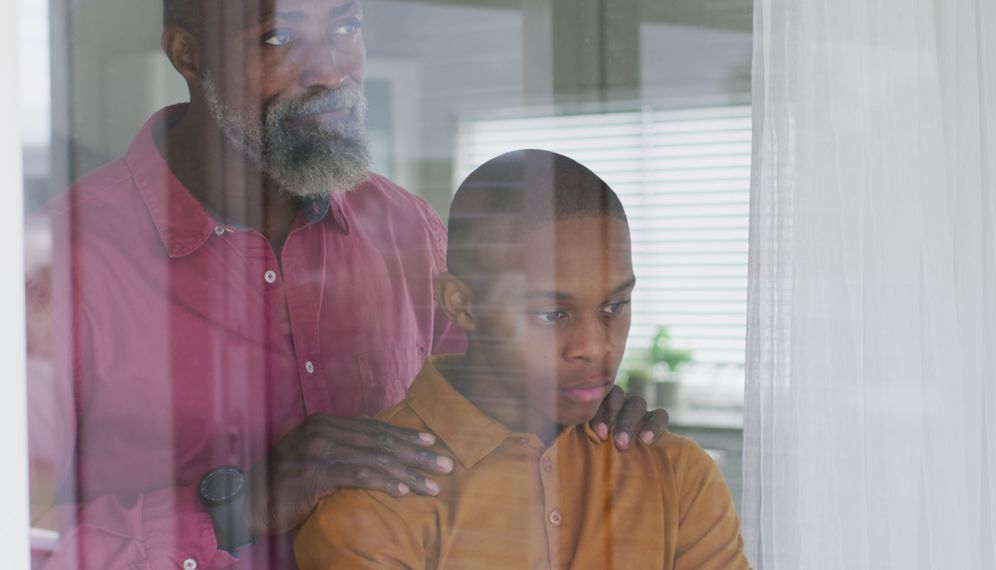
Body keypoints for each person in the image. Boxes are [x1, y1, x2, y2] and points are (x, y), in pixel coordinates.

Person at [26, 1, 669, 568]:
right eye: (277, 38)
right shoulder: (55, 268)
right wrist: (234, 509)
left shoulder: (408, 230)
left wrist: (570, 409)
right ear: (188, 55)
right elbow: (20, 543)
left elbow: (489, 414)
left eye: (347, 26)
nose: (330, 71)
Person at [294, 150, 749, 569]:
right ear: (461, 303)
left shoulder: (676, 474)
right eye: (552, 314)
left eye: (615, 307)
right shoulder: (370, 507)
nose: (594, 347)